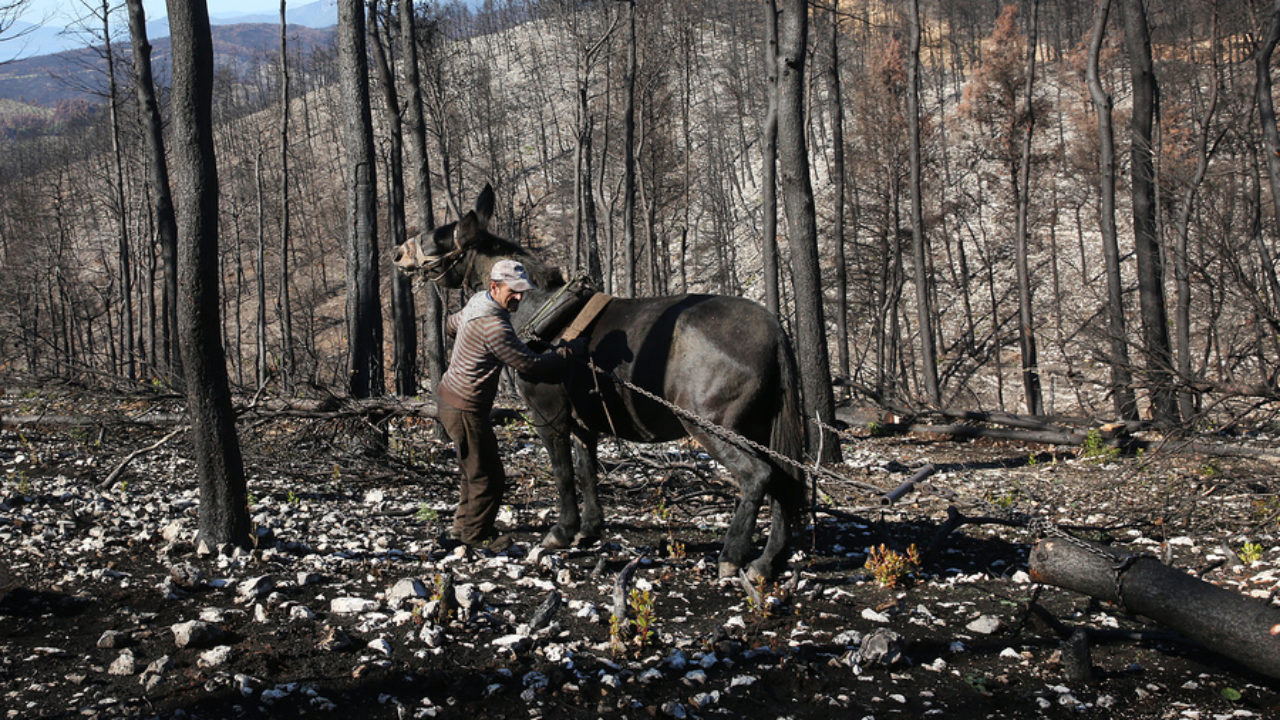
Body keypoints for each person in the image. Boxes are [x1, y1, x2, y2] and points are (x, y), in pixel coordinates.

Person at [436, 258, 583, 550]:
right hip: (465, 408)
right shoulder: (493, 327)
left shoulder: (478, 302)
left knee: (472, 470)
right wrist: (566, 353)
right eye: (512, 291)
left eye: (522, 290)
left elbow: (451, 325)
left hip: (449, 398)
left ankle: (461, 529)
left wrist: (467, 334)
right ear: (494, 286)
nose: (518, 296)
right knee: (488, 476)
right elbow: (530, 365)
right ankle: (475, 537)